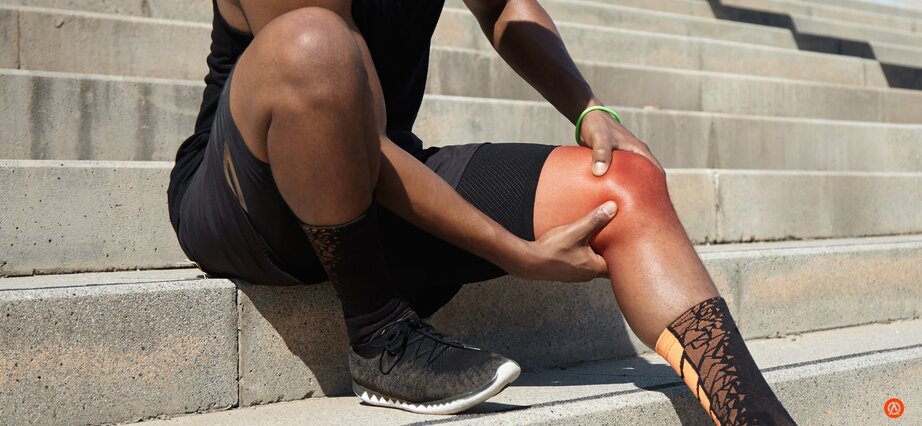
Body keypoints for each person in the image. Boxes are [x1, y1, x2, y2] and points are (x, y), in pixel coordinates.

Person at [167, 0, 796, 423]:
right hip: (247, 197)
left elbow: (503, 7)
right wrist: (513, 252)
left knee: (623, 184)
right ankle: (379, 336)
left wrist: (588, 108)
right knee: (314, 43)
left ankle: (755, 416)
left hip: (381, 177)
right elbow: (346, 124)